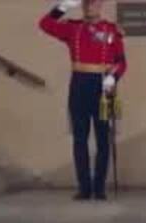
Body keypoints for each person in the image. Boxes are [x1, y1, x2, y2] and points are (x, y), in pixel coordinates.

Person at [38, 0, 127, 201]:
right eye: (85, 4)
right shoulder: (72, 29)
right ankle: (84, 187)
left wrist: (114, 76)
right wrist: (63, 7)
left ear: (100, 5)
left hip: (105, 86)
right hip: (79, 85)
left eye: (93, 4)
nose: (89, 8)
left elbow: (121, 62)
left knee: (103, 138)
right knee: (80, 138)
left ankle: (100, 187)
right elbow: (44, 24)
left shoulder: (111, 31)